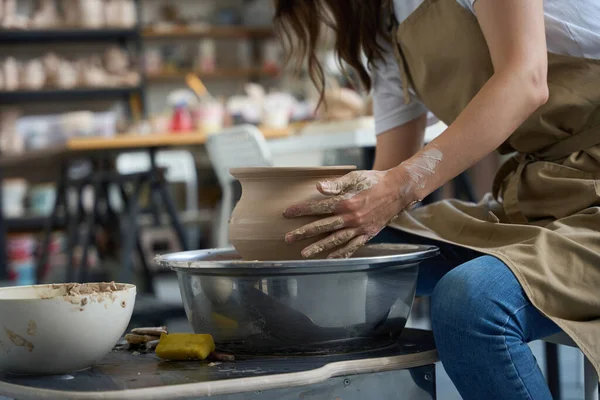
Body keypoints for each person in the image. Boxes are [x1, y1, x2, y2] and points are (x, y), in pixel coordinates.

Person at [273, 0, 600, 398]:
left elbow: (526, 80)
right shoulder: (385, 25)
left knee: (471, 304)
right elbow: (385, 175)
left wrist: (399, 186)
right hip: (544, 196)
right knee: (343, 251)